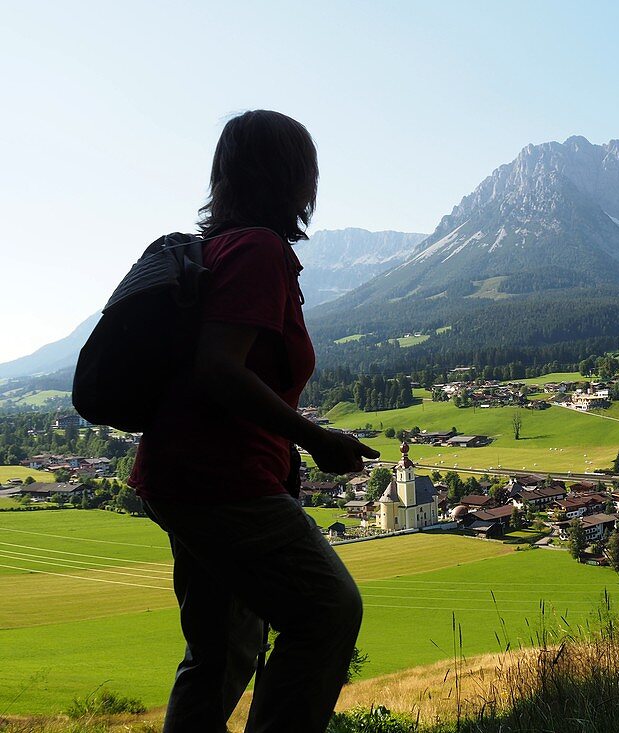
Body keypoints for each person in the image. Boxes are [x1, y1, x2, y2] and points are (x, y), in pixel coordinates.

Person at [131, 110, 376, 733]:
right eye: (310, 169)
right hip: (225, 480)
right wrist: (317, 439)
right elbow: (220, 367)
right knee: (328, 611)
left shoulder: (217, 249)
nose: (316, 184)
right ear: (289, 178)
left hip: (177, 476)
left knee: (222, 649)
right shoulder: (260, 251)